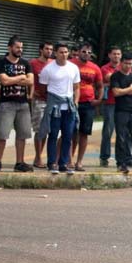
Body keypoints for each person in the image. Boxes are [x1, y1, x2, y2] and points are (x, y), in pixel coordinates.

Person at [0, 36, 34, 173]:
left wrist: (15, 79)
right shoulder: (2, 63)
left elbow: (30, 81)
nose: (20, 50)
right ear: (9, 48)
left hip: (23, 103)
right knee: (2, 134)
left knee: (22, 135)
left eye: (21, 47)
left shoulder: (26, 63)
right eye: (17, 47)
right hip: (7, 103)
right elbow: (3, 81)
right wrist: (21, 77)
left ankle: (19, 162)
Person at [38, 43, 80, 175]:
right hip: (55, 107)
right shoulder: (48, 69)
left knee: (68, 135)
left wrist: (76, 102)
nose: (64, 55)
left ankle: (63, 163)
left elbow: (76, 87)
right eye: (61, 52)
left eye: (66, 52)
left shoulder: (73, 68)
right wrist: (52, 101)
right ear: (55, 53)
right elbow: (43, 89)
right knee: (53, 134)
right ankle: (52, 163)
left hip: (68, 107)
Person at [70, 43, 102, 172]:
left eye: (89, 52)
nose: (86, 54)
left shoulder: (95, 68)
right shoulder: (71, 64)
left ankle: (79, 162)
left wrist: (99, 99)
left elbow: (100, 85)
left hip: (88, 104)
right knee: (71, 132)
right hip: (72, 103)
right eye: (84, 52)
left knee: (84, 133)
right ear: (78, 52)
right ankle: (68, 160)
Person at [29, 42, 53, 168]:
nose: (49, 51)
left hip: (52, 100)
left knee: (47, 130)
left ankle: (40, 156)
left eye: (51, 49)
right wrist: (31, 94)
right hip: (39, 100)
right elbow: (30, 80)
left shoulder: (53, 63)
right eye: (47, 49)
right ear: (41, 50)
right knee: (39, 130)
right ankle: (38, 157)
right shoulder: (33, 63)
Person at [99, 46, 122, 167]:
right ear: (109, 55)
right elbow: (107, 80)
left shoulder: (125, 67)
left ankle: (123, 158)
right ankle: (104, 157)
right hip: (109, 103)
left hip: (122, 103)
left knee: (124, 132)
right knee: (108, 131)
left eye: (118, 54)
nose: (116, 56)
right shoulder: (104, 68)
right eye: (114, 54)